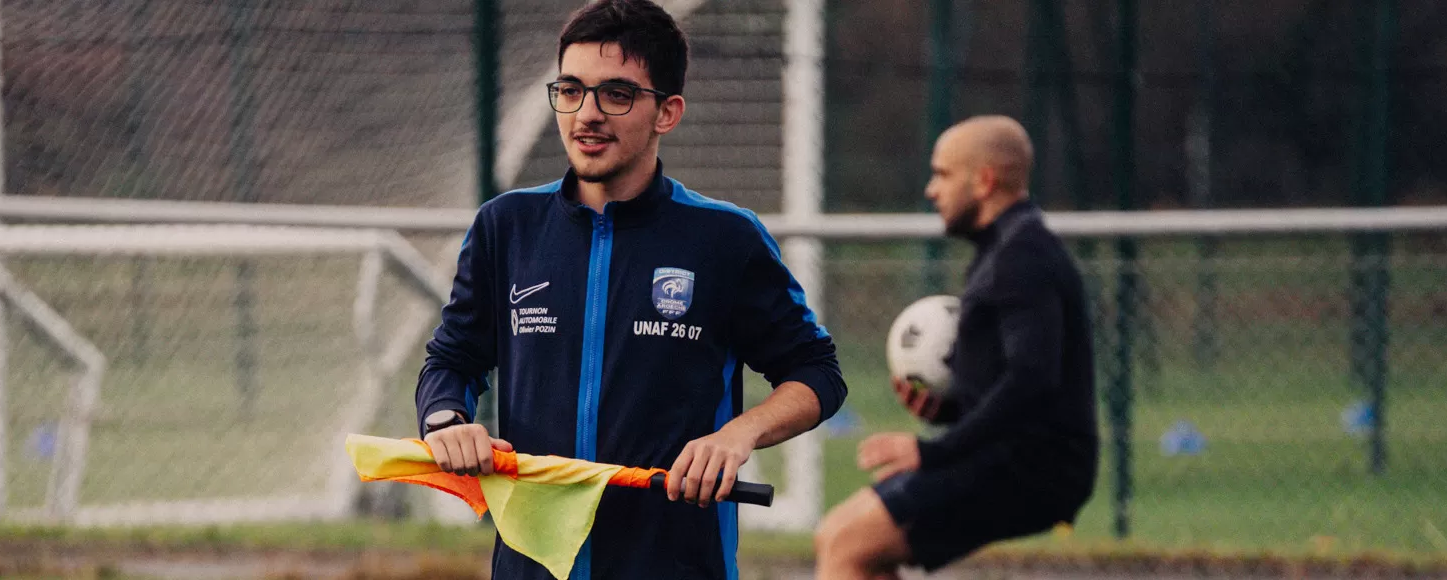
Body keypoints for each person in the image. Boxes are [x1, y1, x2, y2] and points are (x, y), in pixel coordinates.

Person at [412, 1, 847, 578]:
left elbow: (818, 373)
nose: (586, 114)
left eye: (616, 94)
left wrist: (737, 436)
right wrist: (445, 419)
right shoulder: (506, 226)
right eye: (570, 90)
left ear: (668, 112)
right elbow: (452, 359)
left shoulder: (725, 238)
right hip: (533, 567)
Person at [811, 115, 1098, 579]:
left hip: (1031, 466)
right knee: (839, 536)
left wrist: (932, 452)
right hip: (1007, 455)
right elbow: (1010, 383)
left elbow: (1033, 380)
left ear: (984, 181)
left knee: (849, 543)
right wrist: (945, 411)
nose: (931, 190)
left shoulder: (1023, 255)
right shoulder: (1005, 249)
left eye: (943, 174)